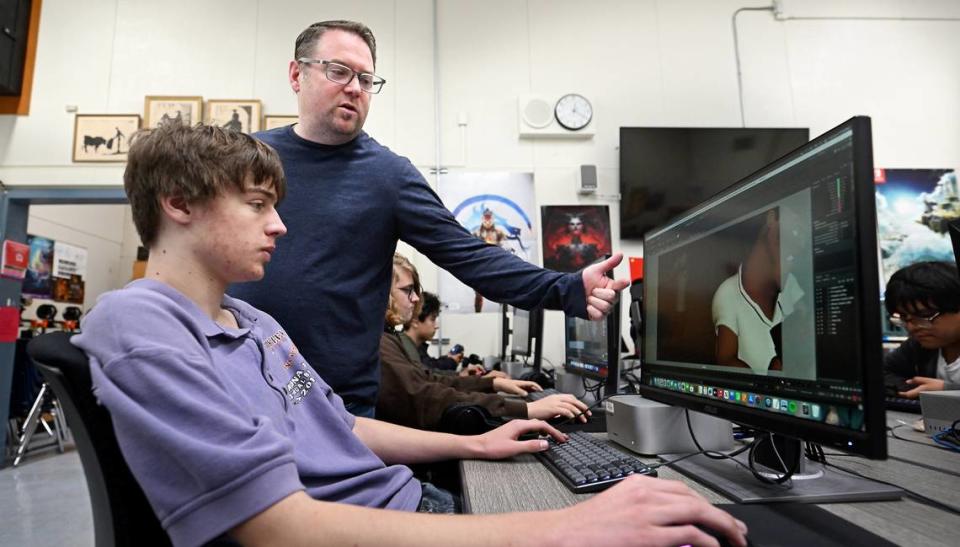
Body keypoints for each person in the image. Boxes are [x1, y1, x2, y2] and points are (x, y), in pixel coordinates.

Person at [73, 122, 747, 546]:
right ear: (179, 203)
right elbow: (278, 525)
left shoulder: (253, 322)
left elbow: (339, 425)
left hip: (405, 498)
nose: (279, 226)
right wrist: (564, 529)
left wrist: (473, 441)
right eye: (257, 207)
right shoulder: (140, 325)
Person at [228, 20, 629, 418]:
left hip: (338, 406)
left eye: (366, 79)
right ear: (297, 74)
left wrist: (567, 288)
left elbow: (470, 255)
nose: (354, 87)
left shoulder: (389, 176)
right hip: (235, 389)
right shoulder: (247, 158)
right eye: (338, 71)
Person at [378, 254, 591, 430]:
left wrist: (492, 383)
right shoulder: (380, 344)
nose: (416, 298)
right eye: (408, 290)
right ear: (381, 292)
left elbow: (429, 380)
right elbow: (426, 397)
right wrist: (526, 410)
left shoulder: (388, 338)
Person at [711, 208, 803, 373]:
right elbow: (726, 360)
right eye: (791, 232)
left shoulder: (791, 285)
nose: (797, 244)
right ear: (771, 219)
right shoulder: (728, 293)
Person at [883, 261, 960, 398]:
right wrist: (918, 389)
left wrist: (949, 391)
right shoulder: (919, 344)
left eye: (925, 315)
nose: (912, 327)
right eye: (904, 317)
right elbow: (880, 372)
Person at [402, 290, 502, 378]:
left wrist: (461, 374)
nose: (436, 326)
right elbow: (428, 376)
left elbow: (431, 372)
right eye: (432, 319)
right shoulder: (404, 350)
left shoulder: (414, 347)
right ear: (415, 321)